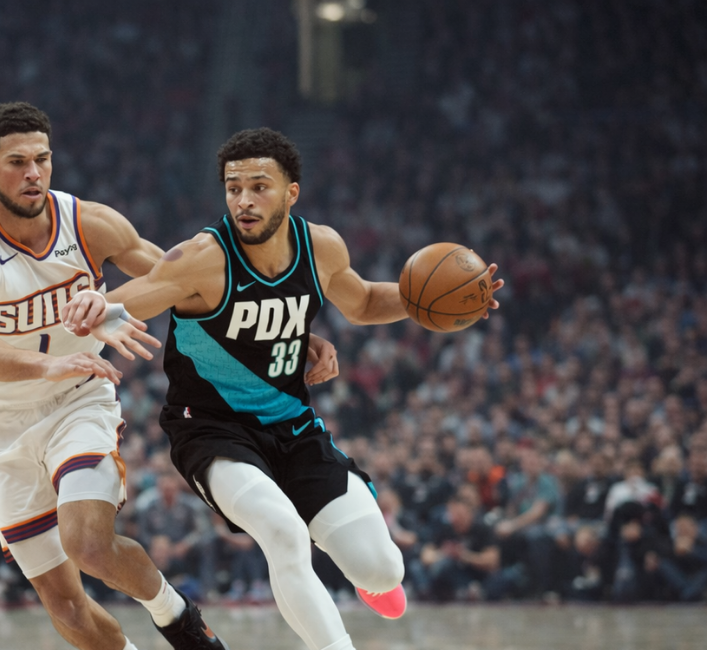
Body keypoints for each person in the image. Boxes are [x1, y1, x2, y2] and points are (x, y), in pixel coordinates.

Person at [64, 127, 504, 650]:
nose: (244, 200)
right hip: (211, 430)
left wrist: (444, 302)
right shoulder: (204, 256)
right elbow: (141, 293)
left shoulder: (320, 246)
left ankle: (372, 579)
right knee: (284, 534)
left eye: (259, 186)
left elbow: (362, 302)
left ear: (291, 192)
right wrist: (101, 304)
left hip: (293, 425)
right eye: (233, 188)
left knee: (385, 569)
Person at [0, 101, 239, 650]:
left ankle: (176, 614)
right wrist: (48, 362)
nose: (33, 173)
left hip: (78, 397)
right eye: (17, 162)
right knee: (67, 608)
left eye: (42, 159)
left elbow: (186, 280)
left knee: (89, 544)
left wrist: (283, 326)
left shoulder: (89, 223)